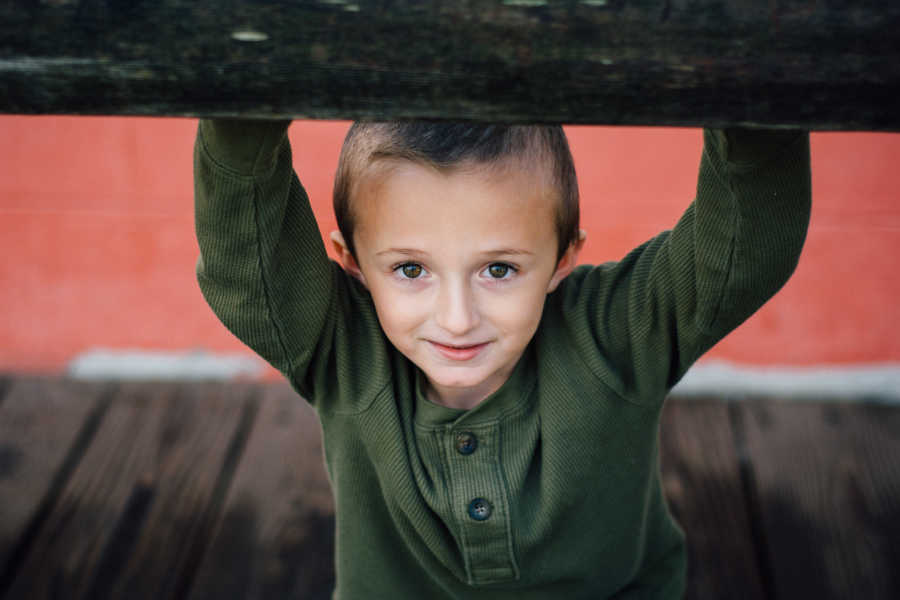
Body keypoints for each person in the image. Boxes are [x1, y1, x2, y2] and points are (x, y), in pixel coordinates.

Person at [193, 118, 811, 598]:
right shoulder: (340, 347)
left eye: (499, 269)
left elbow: (741, 249)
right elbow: (250, 260)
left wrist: (745, 95)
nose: (457, 317)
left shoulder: (619, 333)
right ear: (351, 260)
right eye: (411, 269)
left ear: (563, 256)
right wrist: (245, 105)